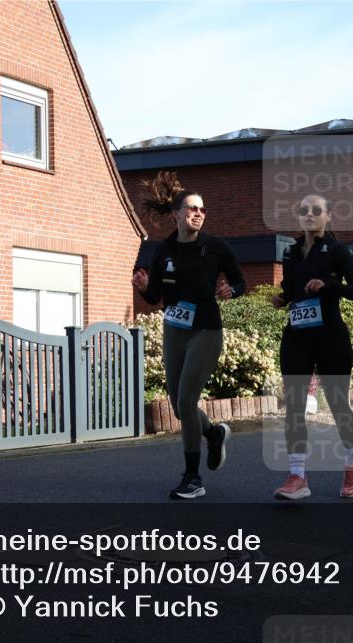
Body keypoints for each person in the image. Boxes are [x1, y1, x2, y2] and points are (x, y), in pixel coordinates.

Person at [132, 172, 245, 498]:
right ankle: (213, 434)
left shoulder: (216, 248)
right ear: (176, 214)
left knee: (185, 399)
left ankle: (193, 478)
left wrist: (230, 290)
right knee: (179, 408)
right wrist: (142, 289)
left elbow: (239, 282)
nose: (198, 213)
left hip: (206, 331)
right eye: (192, 208)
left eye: (202, 210)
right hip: (174, 331)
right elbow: (154, 298)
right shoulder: (163, 250)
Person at [271, 194, 353, 500]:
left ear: (328, 216)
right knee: (294, 406)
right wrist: (282, 298)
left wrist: (329, 285)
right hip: (297, 335)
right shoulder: (291, 252)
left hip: (330, 337)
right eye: (304, 211)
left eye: (316, 210)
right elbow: (291, 288)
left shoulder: (337, 251)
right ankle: (297, 476)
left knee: (338, 404)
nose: (309, 215)